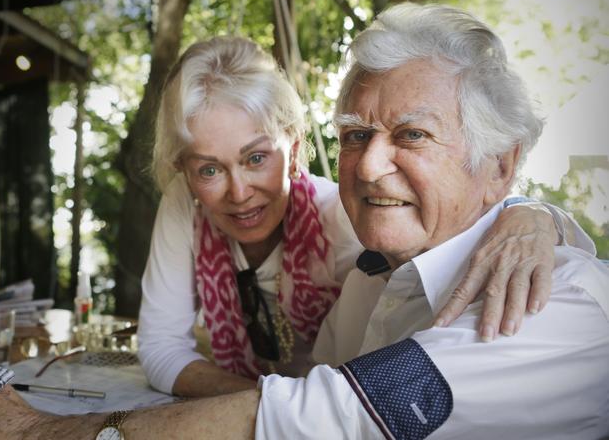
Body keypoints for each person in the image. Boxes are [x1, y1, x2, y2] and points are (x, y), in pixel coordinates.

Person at [0, 3, 607, 440]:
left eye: (412, 134)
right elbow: (309, 386)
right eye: (356, 135)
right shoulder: (377, 275)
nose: (371, 164)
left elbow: (326, 412)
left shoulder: (552, 302)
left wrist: (42, 432)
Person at [138, 36, 573, 398]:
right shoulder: (187, 204)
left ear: (293, 146)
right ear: (183, 170)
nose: (238, 192)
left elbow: (455, 234)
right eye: (209, 169)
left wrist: (532, 213)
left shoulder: (356, 219)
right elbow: (160, 348)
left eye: (256, 157)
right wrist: (276, 411)